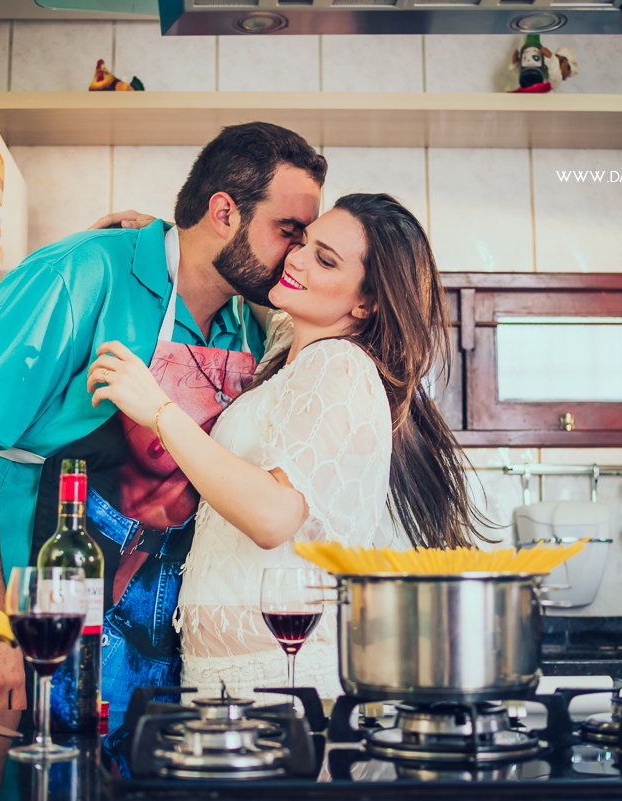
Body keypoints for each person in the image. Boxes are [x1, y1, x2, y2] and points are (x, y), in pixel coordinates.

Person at [0, 122, 327, 724]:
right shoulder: (79, 273)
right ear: (223, 213)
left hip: (150, 652)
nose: (295, 254)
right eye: (287, 231)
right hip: (22, 634)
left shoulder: (249, 322)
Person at [87, 193, 486, 699]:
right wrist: (178, 238)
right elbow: (253, 279)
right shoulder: (293, 350)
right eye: (302, 242)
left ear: (365, 303)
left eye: (325, 260)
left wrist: (159, 411)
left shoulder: (340, 365)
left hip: (284, 677)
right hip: (226, 676)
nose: (296, 258)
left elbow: (274, 517)